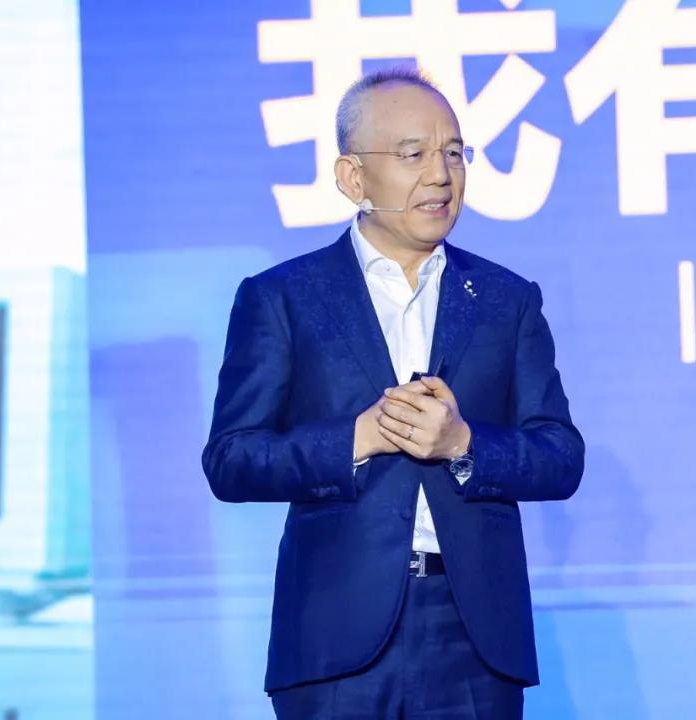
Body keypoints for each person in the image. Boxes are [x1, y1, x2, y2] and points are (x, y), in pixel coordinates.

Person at [202, 67, 584, 720]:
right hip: (334, 634)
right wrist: (356, 438)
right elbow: (231, 459)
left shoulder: (505, 299)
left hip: (473, 637)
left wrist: (464, 444)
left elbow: (560, 456)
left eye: (454, 153)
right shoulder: (283, 298)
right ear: (353, 177)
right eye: (413, 155)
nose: (441, 175)